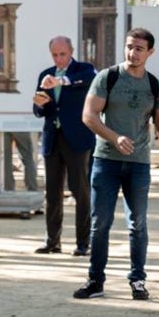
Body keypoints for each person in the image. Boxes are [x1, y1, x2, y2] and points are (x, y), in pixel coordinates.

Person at [74, 28, 159, 301]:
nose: (133, 52)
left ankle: (138, 280)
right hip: (106, 161)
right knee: (100, 224)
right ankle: (95, 280)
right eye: (130, 46)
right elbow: (89, 115)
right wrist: (114, 137)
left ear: (150, 52)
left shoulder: (154, 86)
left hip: (138, 163)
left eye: (139, 48)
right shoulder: (108, 77)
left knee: (138, 224)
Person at [32, 36, 97, 255]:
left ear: (71, 51)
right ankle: (52, 241)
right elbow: (39, 111)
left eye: (63, 54)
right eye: (55, 55)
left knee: (80, 192)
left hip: (78, 139)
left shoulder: (84, 70)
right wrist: (41, 105)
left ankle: (83, 243)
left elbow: (87, 79)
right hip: (53, 139)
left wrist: (61, 81)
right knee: (52, 193)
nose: (59, 59)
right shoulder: (45, 74)